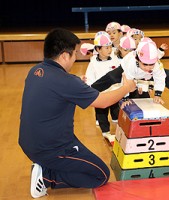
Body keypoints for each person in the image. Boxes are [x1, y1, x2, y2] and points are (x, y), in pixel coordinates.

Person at [18, 28, 136, 198]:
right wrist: (126, 88)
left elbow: (55, 90)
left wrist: (74, 84)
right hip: (52, 148)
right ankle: (46, 177)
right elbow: (103, 102)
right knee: (101, 175)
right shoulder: (66, 82)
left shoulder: (35, 71)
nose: (75, 58)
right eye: (74, 54)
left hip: (28, 143)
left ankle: (45, 166)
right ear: (64, 56)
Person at [85, 31, 121, 143]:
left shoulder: (115, 59)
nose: (109, 50)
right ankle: (106, 132)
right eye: (106, 48)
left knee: (117, 113)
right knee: (101, 114)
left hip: (114, 93)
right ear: (98, 49)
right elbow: (89, 78)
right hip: (100, 95)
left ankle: (118, 128)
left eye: (110, 47)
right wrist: (91, 91)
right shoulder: (93, 63)